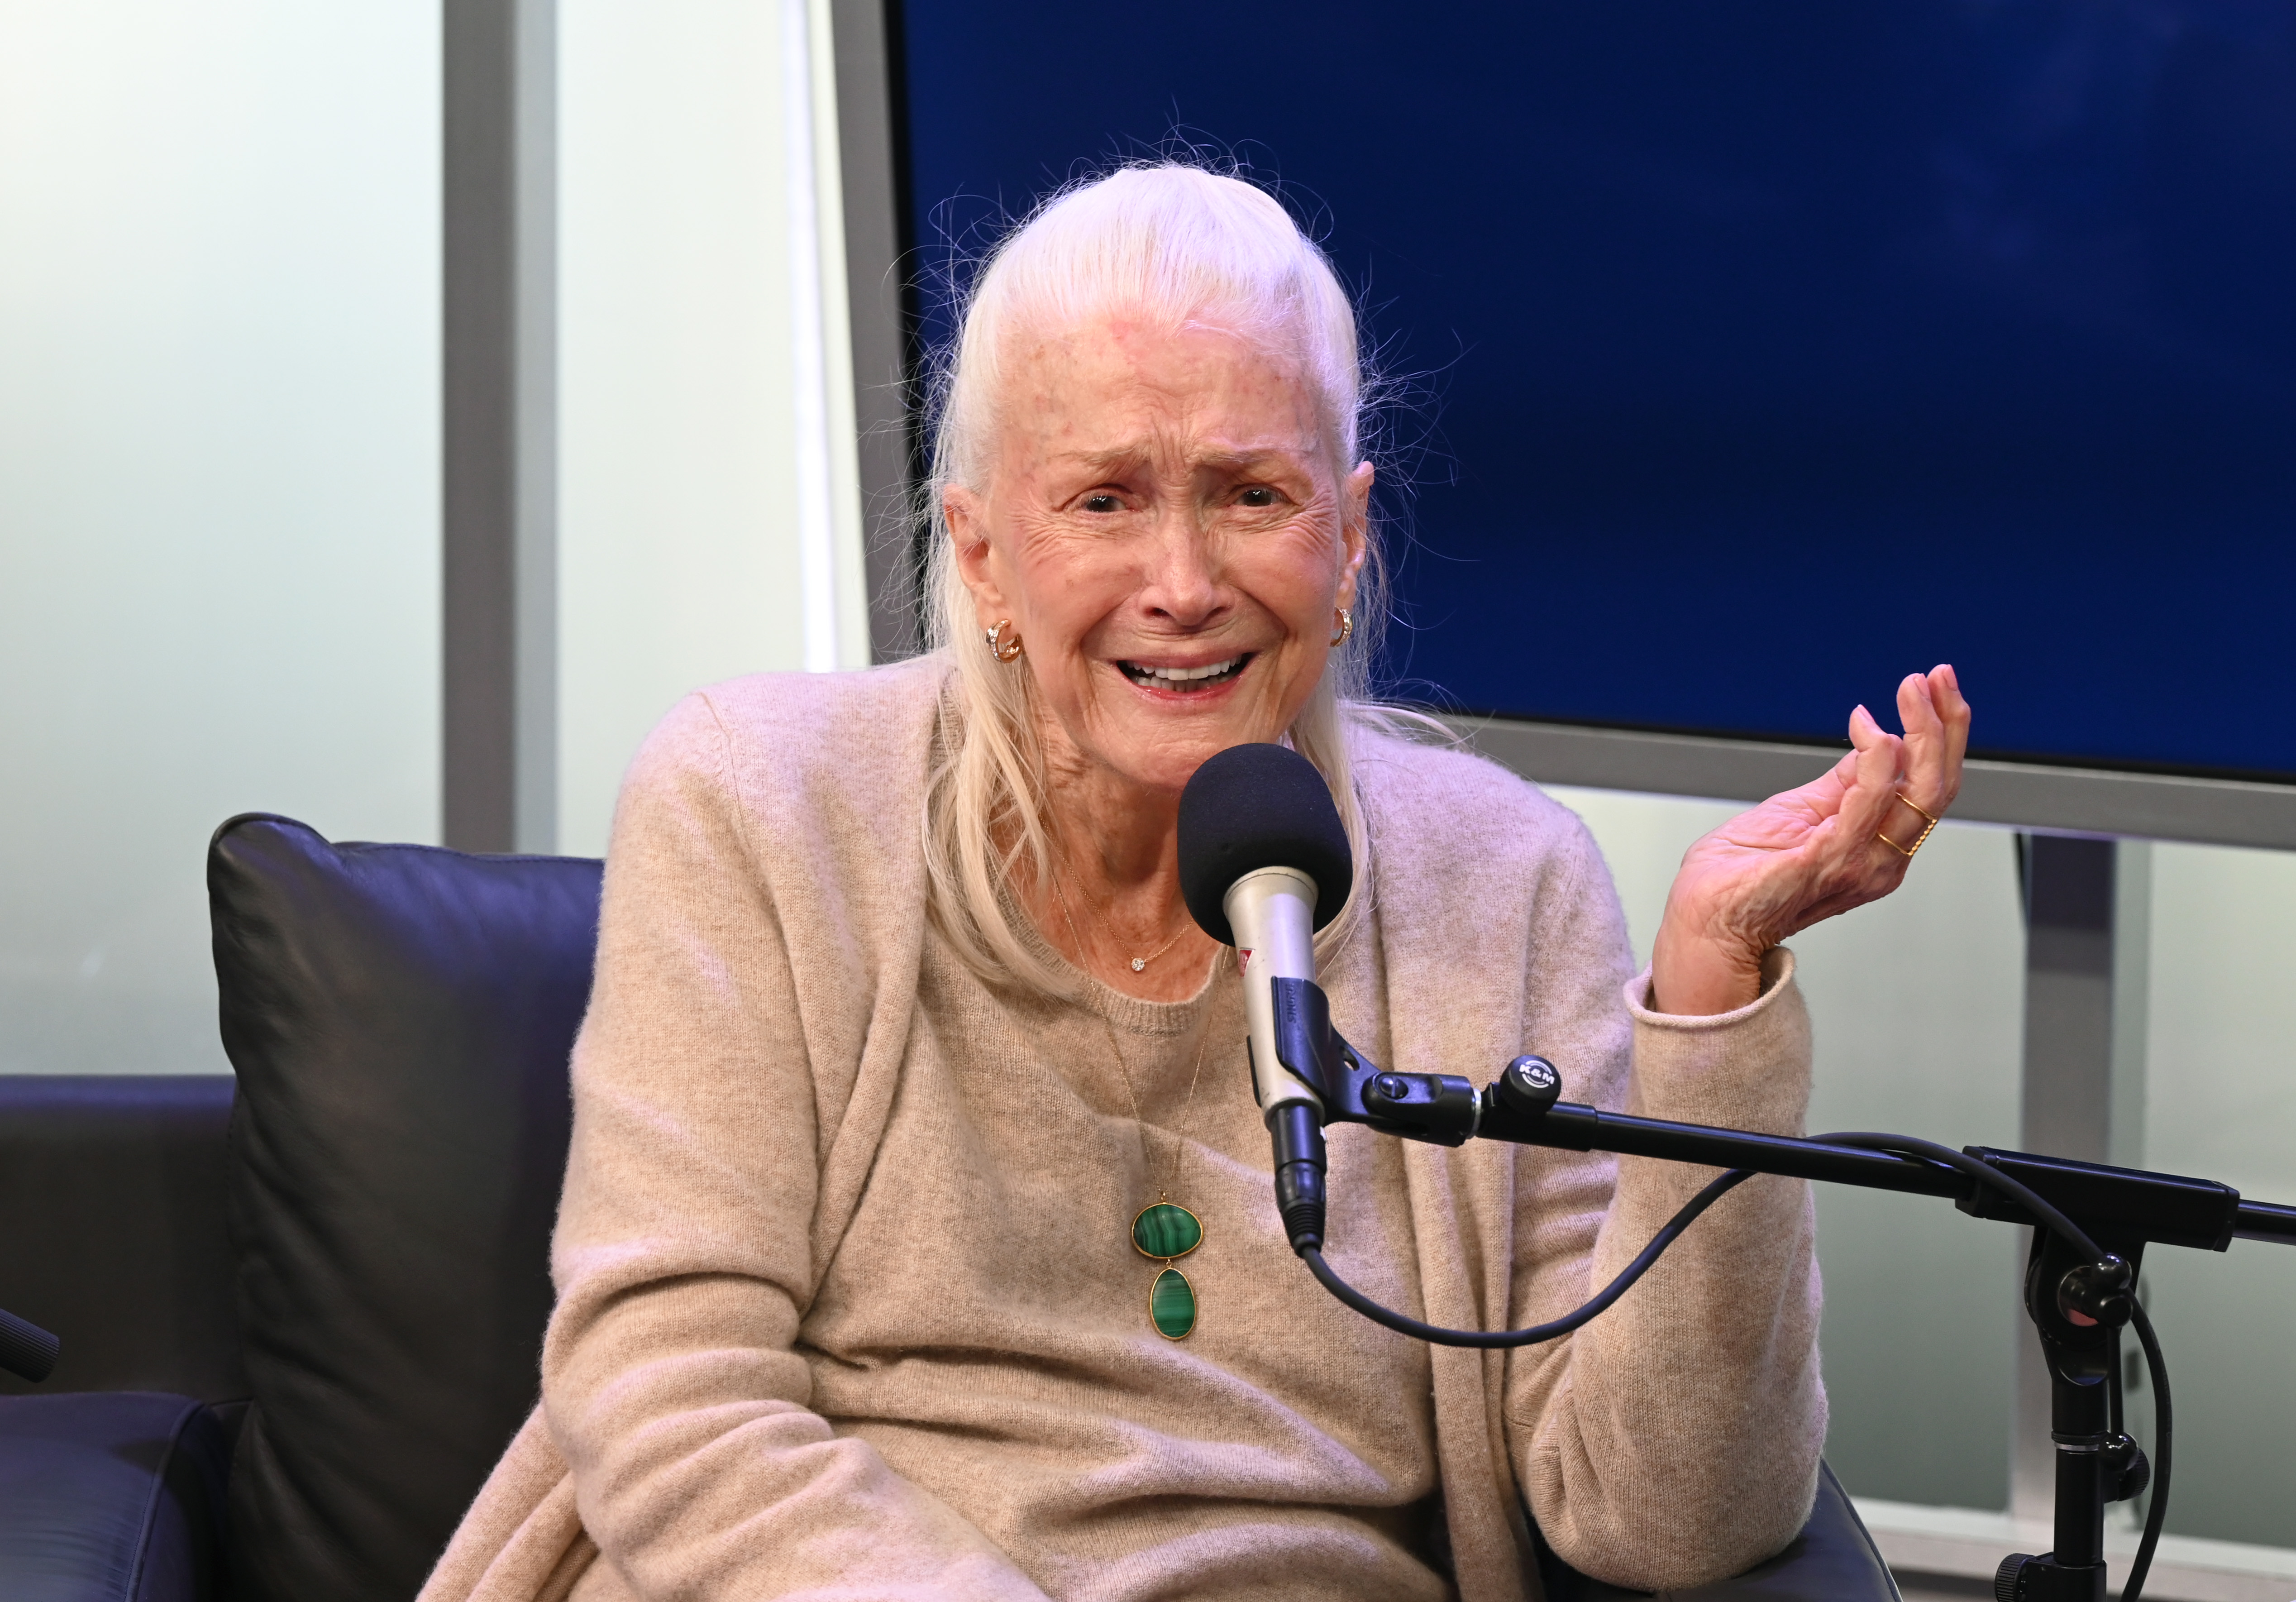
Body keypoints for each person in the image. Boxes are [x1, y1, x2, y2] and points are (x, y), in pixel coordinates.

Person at [418, 164, 1971, 1602]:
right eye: (1103, 499)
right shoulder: (760, 802)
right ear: (979, 554)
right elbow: (668, 1393)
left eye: (1250, 494)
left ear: (1349, 534)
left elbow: (1667, 1515)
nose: (1181, 582)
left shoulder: (1504, 880)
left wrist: (1713, 993)